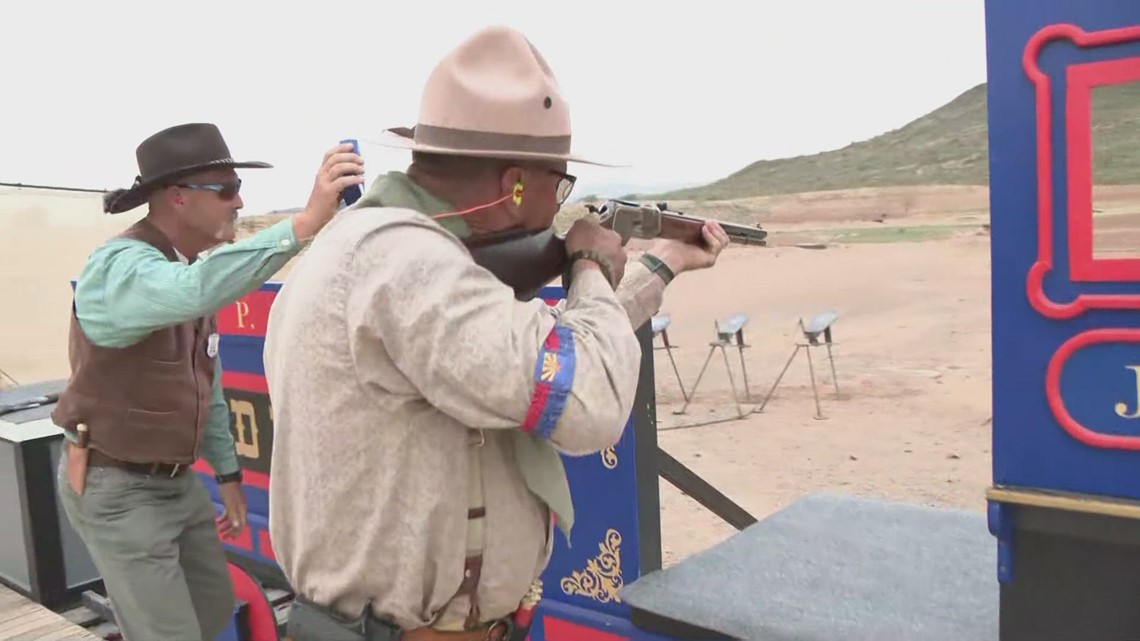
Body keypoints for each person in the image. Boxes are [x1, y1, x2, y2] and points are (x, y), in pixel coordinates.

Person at [263, 25, 730, 641]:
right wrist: (587, 264)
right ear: (514, 183)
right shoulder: (406, 263)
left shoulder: (380, 249)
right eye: (558, 184)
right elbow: (586, 395)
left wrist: (658, 265)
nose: (559, 202)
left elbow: (528, 350)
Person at [50, 122, 364, 641]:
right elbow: (192, 291)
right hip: (118, 487)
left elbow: (206, 384)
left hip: (175, 483)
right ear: (177, 197)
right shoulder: (122, 268)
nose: (239, 203)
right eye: (226, 190)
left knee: (216, 610)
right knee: (168, 632)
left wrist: (228, 476)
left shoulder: (185, 269)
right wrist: (306, 222)